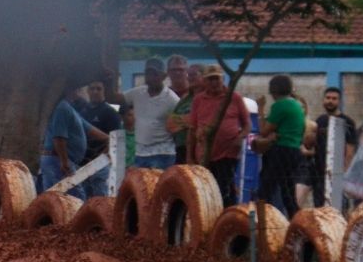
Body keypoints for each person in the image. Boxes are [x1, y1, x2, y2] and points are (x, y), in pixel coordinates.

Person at [176, 65, 251, 205]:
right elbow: (192, 129)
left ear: (222, 79)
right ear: (204, 81)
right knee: (207, 191)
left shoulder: (234, 98)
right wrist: (189, 157)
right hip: (204, 155)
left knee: (224, 189)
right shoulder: (198, 100)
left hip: (227, 154)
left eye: (216, 78)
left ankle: (228, 219)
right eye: (210, 79)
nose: (214, 82)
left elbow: (247, 124)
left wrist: (240, 137)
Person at [252, 74, 304, 220]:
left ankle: (262, 222)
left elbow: (263, 130)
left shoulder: (280, 105)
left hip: (280, 150)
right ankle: (296, 220)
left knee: (266, 189)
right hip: (293, 150)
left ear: (273, 91)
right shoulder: (295, 104)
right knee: (287, 191)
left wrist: (260, 108)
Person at [304, 86, 357, 208]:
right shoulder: (320, 121)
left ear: (339, 101)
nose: (330, 101)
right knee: (320, 209)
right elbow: (311, 146)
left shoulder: (347, 122)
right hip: (320, 174)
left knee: (339, 209)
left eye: (334, 98)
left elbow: (350, 150)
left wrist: (344, 172)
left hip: (338, 174)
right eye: (328, 98)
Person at [40, 77, 92, 196]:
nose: (79, 92)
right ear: (71, 90)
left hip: (57, 160)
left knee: (53, 197)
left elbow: (89, 128)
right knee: (75, 198)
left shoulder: (69, 109)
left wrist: (109, 138)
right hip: (58, 160)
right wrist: (64, 162)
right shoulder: (62, 107)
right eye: (77, 89)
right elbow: (59, 137)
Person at [125, 58, 179, 171]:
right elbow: (114, 98)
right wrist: (109, 80)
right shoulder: (137, 93)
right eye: (148, 74)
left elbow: (178, 127)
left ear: (163, 76)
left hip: (163, 154)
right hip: (140, 154)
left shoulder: (172, 99)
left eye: (155, 74)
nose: (151, 77)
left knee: (158, 187)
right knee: (141, 187)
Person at [78, 76, 123, 198]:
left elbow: (116, 139)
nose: (95, 92)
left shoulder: (111, 113)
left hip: (101, 164)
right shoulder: (82, 112)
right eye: (92, 89)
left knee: (100, 201)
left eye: (99, 89)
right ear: (87, 91)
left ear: (104, 91)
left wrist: (102, 159)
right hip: (82, 164)